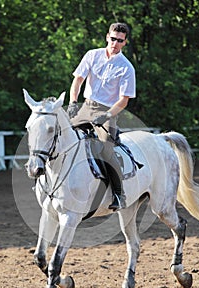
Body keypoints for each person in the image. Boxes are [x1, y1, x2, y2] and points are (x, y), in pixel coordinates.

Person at [67, 22, 136, 211]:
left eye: (119, 40)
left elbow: (123, 101)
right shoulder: (92, 55)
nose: (115, 43)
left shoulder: (127, 68)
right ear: (107, 37)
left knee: (106, 150)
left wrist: (106, 115)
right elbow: (78, 80)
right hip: (85, 107)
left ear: (124, 42)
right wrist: (73, 103)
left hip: (108, 112)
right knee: (62, 136)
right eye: (113, 39)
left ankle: (119, 194)